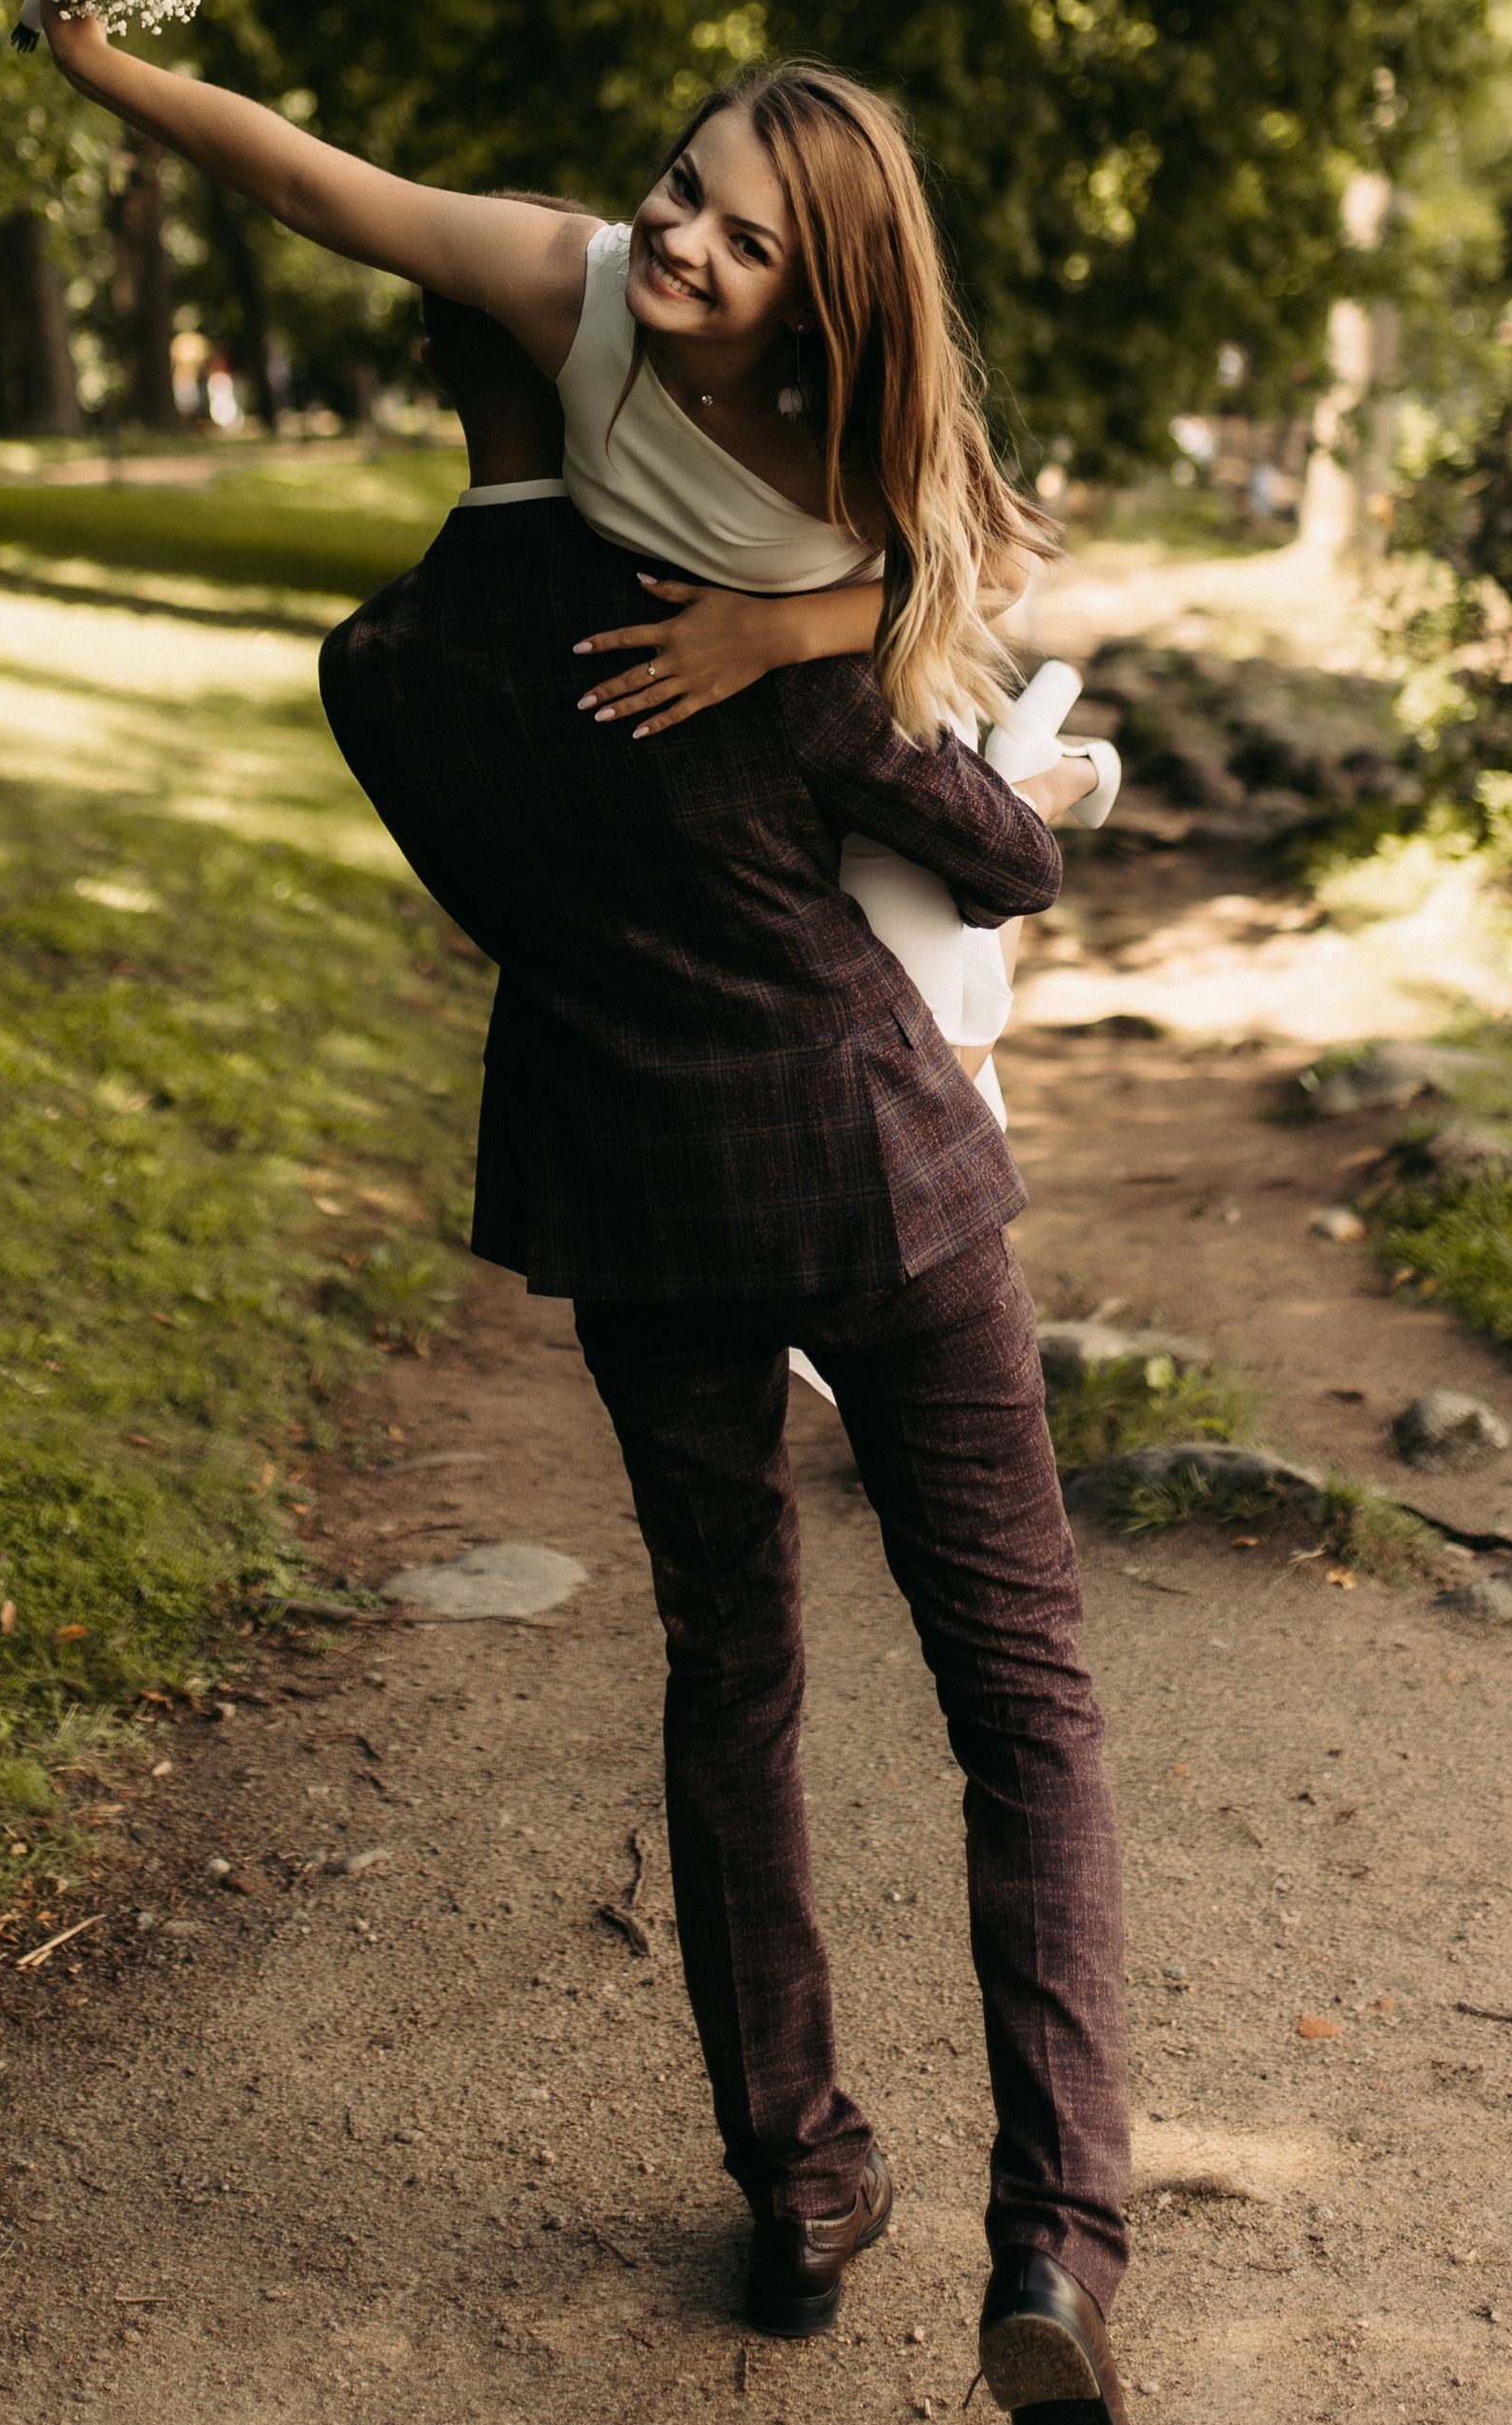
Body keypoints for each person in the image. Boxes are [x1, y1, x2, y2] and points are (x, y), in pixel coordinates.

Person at [317, 279, 1134, 2418]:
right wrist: (990, 774)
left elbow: (504, 900)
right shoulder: (727, 606)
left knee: (727, 1675)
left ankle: (796, 2182)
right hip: (880, 1183)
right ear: (590, 377)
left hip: (636, 1199)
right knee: (1023, 1701)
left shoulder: (378, 672)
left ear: (435, 391)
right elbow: (1008, 855)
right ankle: (1052, 2236)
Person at [35, 22, 1093, 1108]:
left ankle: (1025, 782)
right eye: (683, 188)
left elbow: (997, 574)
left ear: (813, 294)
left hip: (854, 719)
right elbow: (313, 187)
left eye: (749, 244)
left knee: (936, 1081)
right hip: (718, 760)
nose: (684, 240)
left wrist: (770, 630)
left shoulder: (841, 416)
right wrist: (97, 63)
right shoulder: (570, 287)